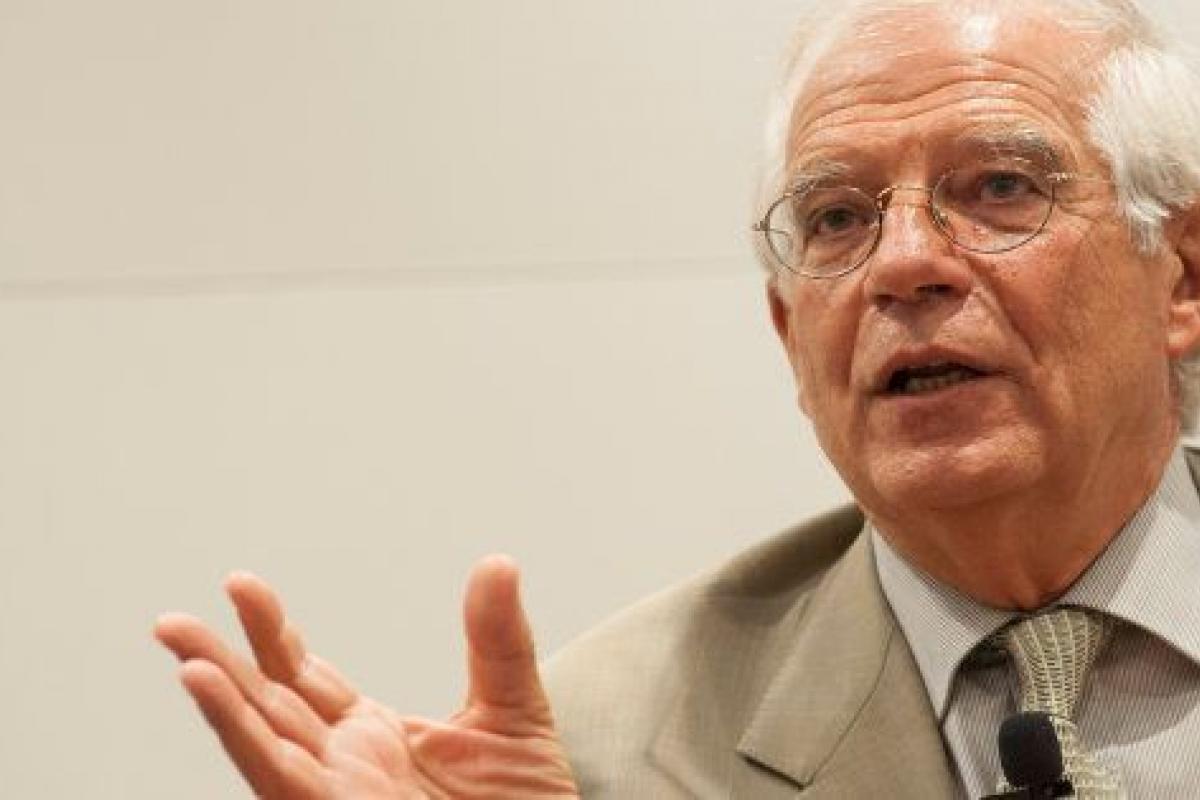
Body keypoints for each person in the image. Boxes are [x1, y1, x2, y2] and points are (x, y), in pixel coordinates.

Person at [155, 0, 1200, 796]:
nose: (902, 264)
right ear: (791, 336)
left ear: (1183, 278)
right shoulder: (596, 747)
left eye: (1000, 187)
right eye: (838, 217)